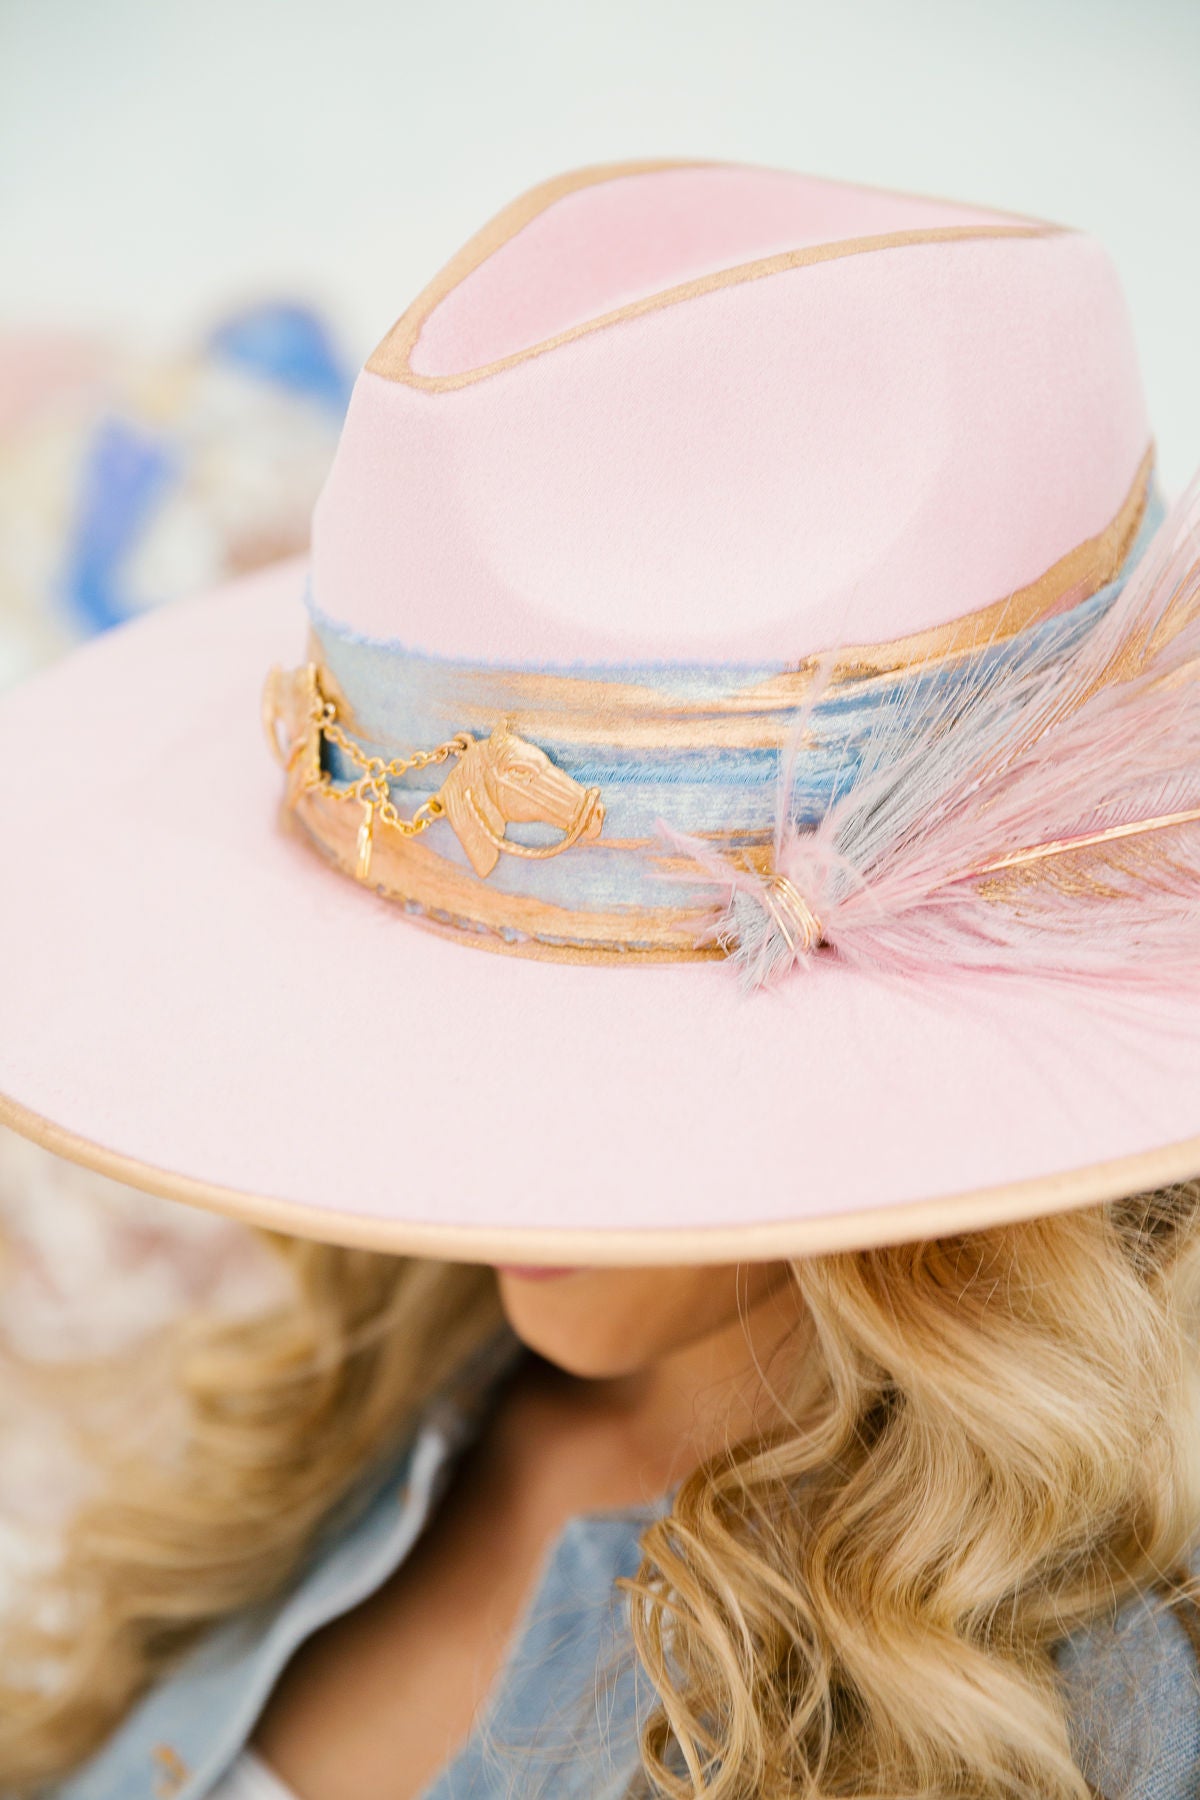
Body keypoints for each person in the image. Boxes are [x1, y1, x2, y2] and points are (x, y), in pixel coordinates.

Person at [1, 160, 1199, 1800]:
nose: (461, 1129)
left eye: (581, 1019)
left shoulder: (1065, 1712)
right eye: (440, 986)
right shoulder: (364, 1377)